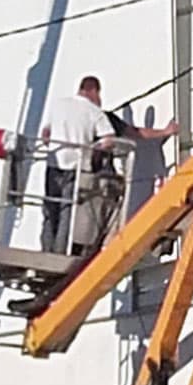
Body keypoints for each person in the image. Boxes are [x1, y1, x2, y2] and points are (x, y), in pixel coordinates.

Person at [40, 76, 177, 254]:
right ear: (94, 92)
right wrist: (165, 132)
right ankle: (65, 251)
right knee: (72, 214)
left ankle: (47, 250)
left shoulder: (59, 105)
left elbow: (45, 135)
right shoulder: (97, 114)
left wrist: (57, 148)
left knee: (51, 211)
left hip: (54, 166)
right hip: (84, 173)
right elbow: (127, 134)